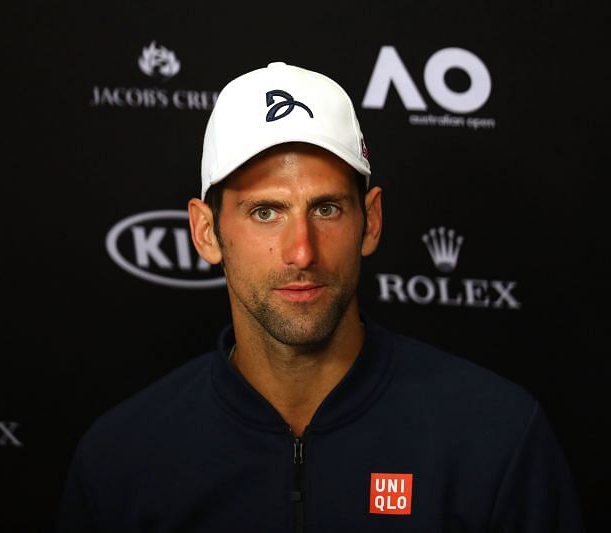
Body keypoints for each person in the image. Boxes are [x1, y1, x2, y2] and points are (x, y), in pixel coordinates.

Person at [57, 62, 583, 532]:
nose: (302, 251)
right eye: (266, 212)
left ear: (370, 221)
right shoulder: (121, 459)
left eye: (326, 209)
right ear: (206, 232)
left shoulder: (496, 437)